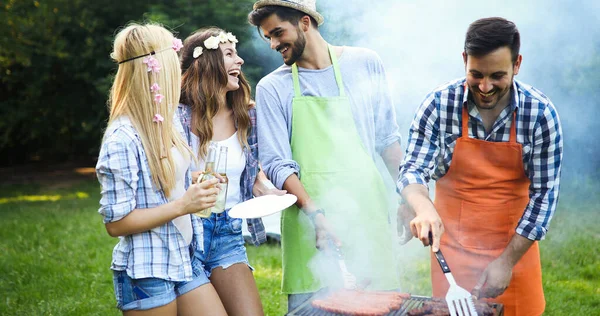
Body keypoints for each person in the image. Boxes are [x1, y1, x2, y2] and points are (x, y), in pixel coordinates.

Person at [398, 17, 563, 316]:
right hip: (452, 256)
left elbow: (544, 197)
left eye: (497, 75)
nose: (485, 87)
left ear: (517, 64)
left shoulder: (540, 114)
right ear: (464, 60)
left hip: (514, 253)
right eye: (476, 74)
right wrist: (421, 205)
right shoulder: (438, 105)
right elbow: (412, 169)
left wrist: (507, 262)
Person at [248, 0, 405, 312]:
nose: (274, 44)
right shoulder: (271, 88)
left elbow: (388, 139)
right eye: (268, 37)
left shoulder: (365, 63)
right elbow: (278, 164)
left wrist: (407, 196)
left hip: (368, 216)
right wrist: (317, 215)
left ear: (305, 22)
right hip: (310, 225)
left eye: (278, 33)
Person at [96, 23, 227, 315]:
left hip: (183, 256)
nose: (178, 73)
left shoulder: (166, 121)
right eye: (173, 63)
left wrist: (192, 182)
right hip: (149, 268)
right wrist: (183, 204)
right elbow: (116, 224)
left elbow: (165, 184)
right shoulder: (123, 137)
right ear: (156, 71)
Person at [178, 27, 286, 316]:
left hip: (228, 232)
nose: (240, 61)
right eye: (229, 54)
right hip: (184, 234)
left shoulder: (246, 114)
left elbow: (251, 174)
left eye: (237, 54)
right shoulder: (177, 116)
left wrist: (268, 190)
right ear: (207, 63)